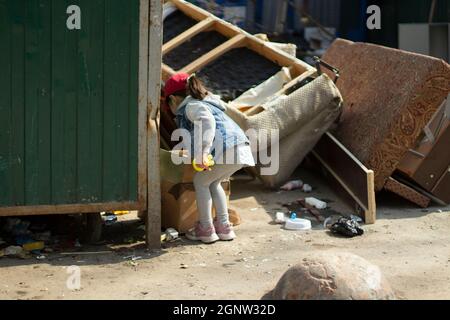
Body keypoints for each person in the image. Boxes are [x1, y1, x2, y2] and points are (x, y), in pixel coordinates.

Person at [164, 73, 255, 244]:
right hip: (240, 148)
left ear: (173, 99)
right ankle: (224, 226)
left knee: (200, 181)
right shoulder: (208, 103)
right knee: (213, 183)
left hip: (228, 148)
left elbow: (207, 122)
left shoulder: (191, 106)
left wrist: (203, 152)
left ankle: (205, 228)